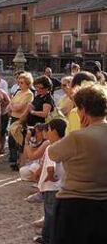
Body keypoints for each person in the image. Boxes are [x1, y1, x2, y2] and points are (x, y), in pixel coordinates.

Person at [48, 85, 107, 244]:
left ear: (83, 109)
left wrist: (82, 130)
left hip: (74, 204)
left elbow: (53, 153)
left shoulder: (77, 137)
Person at [33, 118, 67, 244]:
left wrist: (49, 177)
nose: (46, 133)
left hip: (51, 186)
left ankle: (48, 238)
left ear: (53, 131)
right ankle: (49, 236)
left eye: (47, 130)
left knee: (50, 214)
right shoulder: (65, 144)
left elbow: (50, 166)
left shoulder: (51, 147)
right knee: (54, 213)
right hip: (60, 185)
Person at [7, 72, 34, 168]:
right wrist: (13, 105)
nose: (19, 84)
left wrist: (13, 105)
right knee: (11, 139)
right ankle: (13, 159)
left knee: (19, 140)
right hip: (13, 117)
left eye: (22, 82)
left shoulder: (29, 94)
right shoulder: (18, 92)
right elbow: (11, 104)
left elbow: (17, 107)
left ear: (27, 83)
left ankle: (19, 161)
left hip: (21, 119)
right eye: (19, 82)